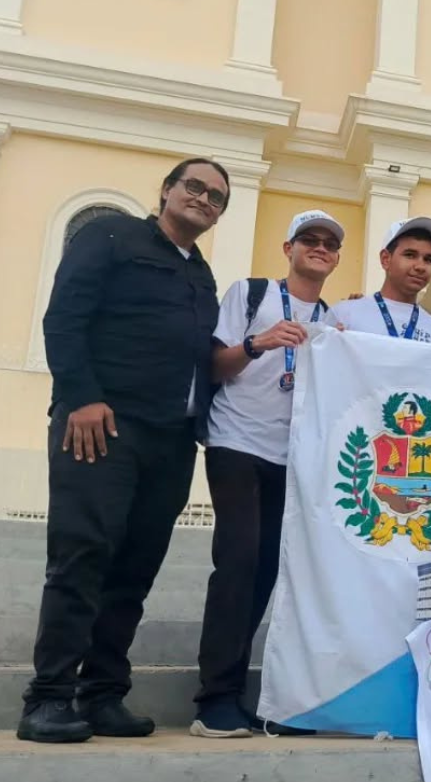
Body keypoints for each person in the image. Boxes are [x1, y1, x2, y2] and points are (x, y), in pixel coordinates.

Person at [20, 158, 229, 743]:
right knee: (82, 556)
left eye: (217, 196)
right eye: (195, 187)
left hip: (171, 439)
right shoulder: (109, 235)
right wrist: (82, 397)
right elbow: (64, 317)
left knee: (134, 569)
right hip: (101, 426)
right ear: (166, 190)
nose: (205, 199)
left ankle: (102, 693)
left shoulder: (201, 274)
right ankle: (49, 697)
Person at [191, 210, 343, 738]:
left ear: (337, 258)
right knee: (237, 561)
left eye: (329, 243)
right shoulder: (249, 294)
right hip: (235, 440)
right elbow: (214, 365)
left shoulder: (333, 320)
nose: (319, 248)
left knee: (266, 574)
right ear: (289, 247)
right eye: (310, 239)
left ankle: (245, 694)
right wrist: (261, 342)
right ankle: (214, 698)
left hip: (293, 457)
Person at [325, 217, 431, 344]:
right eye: (410, 255)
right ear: (385, 259)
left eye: (428, 259)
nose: (420, 266)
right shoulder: (344, 315)